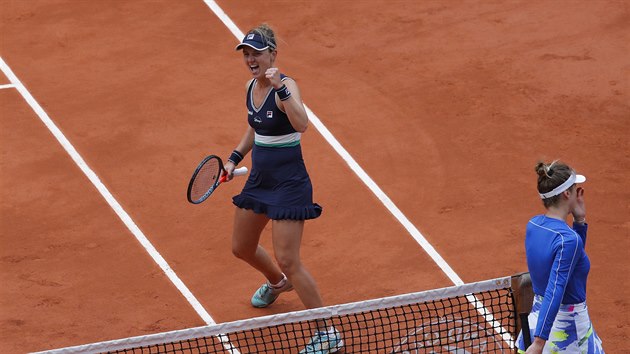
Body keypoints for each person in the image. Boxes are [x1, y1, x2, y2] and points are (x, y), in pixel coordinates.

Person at [223, 24, 342, 353]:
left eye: (256, 53)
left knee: (289, 258)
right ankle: (277, 283)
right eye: (246, 54)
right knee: (241, 247)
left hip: (289, 185)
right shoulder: (250, 87)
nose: (250, 59)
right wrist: (233, 159)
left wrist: (283, 91)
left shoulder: (286, 85)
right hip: (260, 180)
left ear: (272, 54)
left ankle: (327, 331)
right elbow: (254, 127)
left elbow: (302, 124)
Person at [517, 160, 604, 353]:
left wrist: (580, 221)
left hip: (539, 318)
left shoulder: (534, 225)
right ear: (567, 194)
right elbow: (555, 289)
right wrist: (540, 342)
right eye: (574, 189)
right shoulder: (568, 239)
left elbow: (572, 260)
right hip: (567, 332)